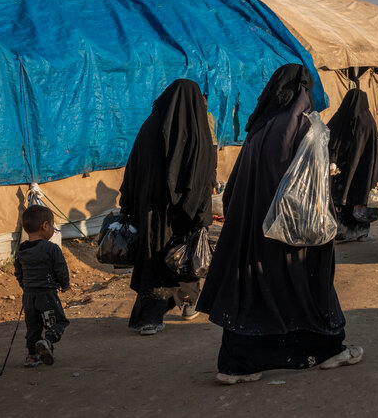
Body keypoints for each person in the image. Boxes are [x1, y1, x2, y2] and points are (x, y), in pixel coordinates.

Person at [197, 65, 359, 385]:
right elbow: (314, 189)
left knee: (256, 293)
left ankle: (238, 364)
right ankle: (326, 350)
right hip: (292, 233)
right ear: (303, 91)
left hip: (252, 230)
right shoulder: (304, 128)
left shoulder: (261, 127)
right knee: (307, 289)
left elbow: (236, 187)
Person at [121, 79, 216, 335]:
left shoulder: (150, 125)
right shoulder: (196, 129)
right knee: (181, 257)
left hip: (150, 211)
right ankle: (152, 317)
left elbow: (133, 168)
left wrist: (127, 203)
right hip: (182, 212)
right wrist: (199, 212)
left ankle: (182, 305)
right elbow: (203, 176)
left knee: (164, 258)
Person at [15, 205, 70, 367]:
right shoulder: (51, 249)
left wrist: (25, 287)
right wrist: (65, 285)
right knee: (57, 322)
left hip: (29, 296)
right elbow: (60, 269)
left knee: (33, 327)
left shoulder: (21, 251)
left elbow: (19, 273)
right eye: (52, 225)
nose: (53, 229)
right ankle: (47, 341)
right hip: (47, 295)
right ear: (45, 226)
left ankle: (32, 355)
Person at [327, 88, 378, 243]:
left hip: (344, 167)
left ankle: (344, 230)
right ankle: (360, 231)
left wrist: (333, 158)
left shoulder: (344, 118)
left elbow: (334, 140)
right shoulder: (369, 120)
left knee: (343, 198)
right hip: (365, 168)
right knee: (359, 197)